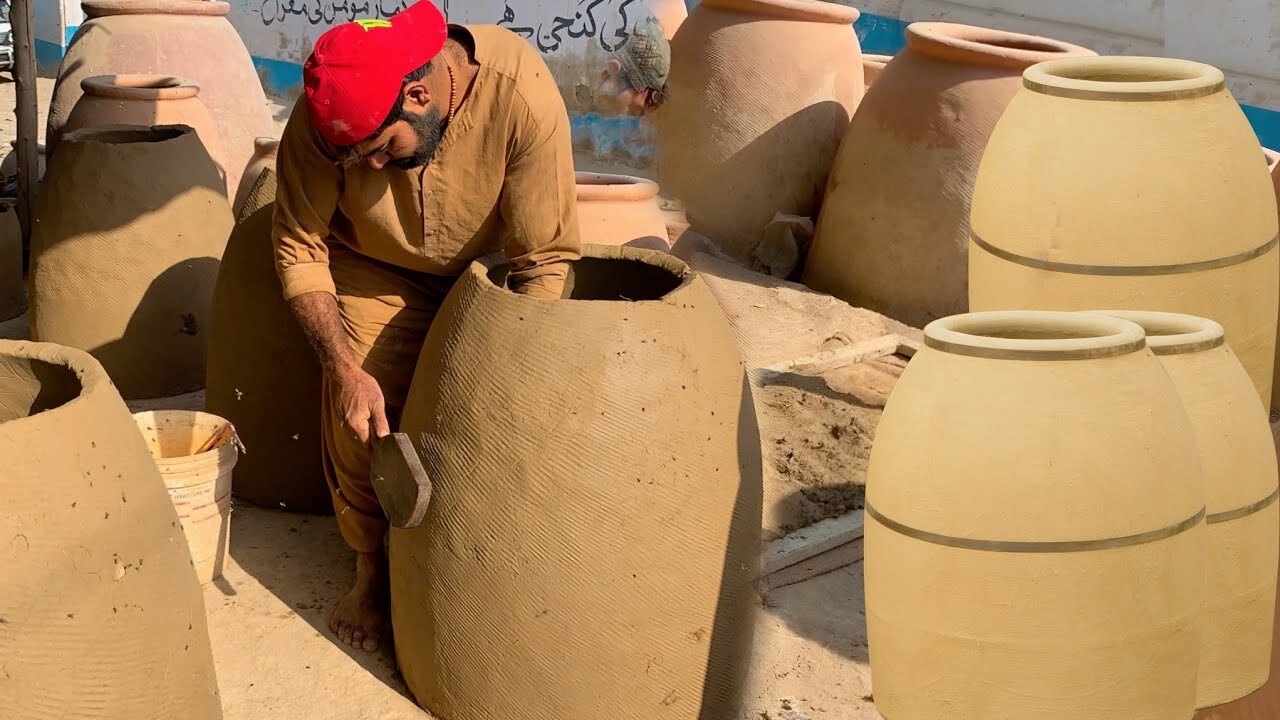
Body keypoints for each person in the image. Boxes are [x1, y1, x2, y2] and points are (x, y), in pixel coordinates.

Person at [272, 0, 580, 652]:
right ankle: (371, 565)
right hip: (372, 268)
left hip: (486, 277)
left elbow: (544, 260)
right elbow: (300, 247)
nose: (372, 169)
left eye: (382, 151)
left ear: (419, 93)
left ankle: (475, 563)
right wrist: (342, 368)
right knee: (364, 405)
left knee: (494, 413)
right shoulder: (323, 120)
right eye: (357, 160)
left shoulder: (520, 95)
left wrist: (521, 360)